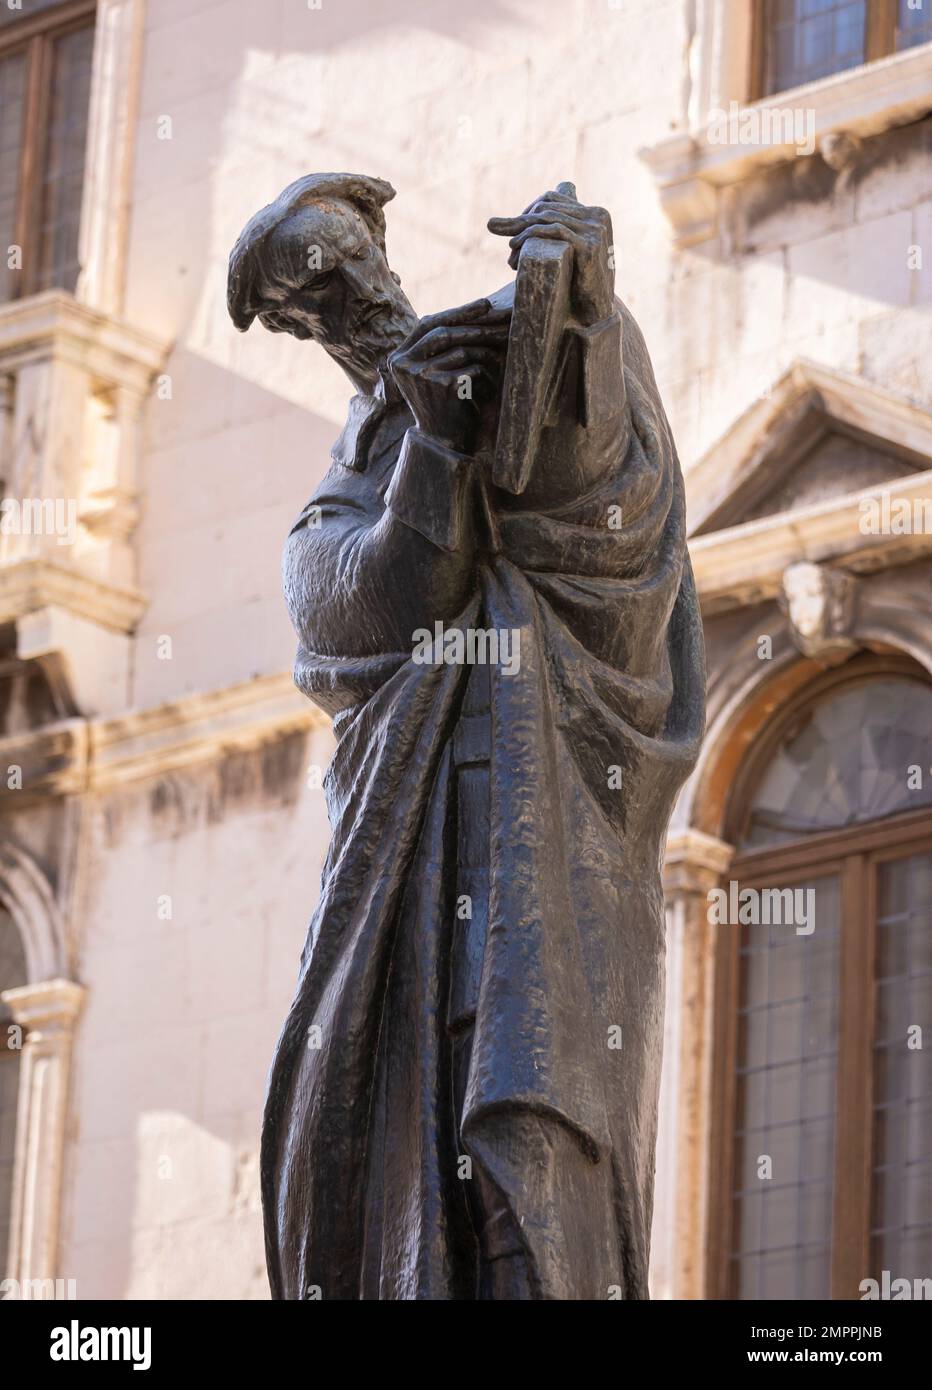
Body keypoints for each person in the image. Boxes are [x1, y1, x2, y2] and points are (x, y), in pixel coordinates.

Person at [228, 173, 705, 1300]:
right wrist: (435, 453)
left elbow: (609, 523)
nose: (363, 298)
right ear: (300, 327)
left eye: (360, 265)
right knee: (394, 1182)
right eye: (324, 293)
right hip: (401, 891)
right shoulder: (339, 492)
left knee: (530, 1158)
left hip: (546, 859)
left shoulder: (495, 360)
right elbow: (374, 598)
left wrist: (581, 311)